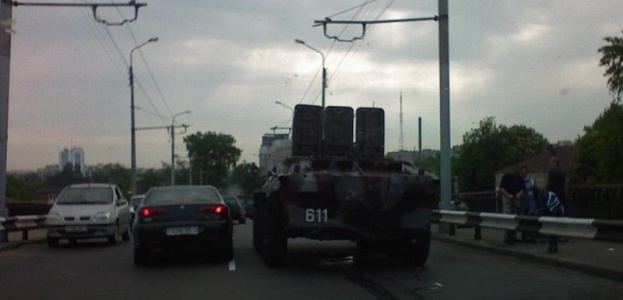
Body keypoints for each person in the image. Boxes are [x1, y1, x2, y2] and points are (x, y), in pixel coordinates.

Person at [498, 164, 525, 245]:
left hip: (516, 198)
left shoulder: (520, 178)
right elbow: (501, 188)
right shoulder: (506, 177)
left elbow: (523, 189)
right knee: (508, 216)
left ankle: (514, 235)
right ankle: (508, 235)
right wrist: (508, 195)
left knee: (515, 217)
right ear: (514, 169)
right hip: (508, 198)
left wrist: (519, 194)